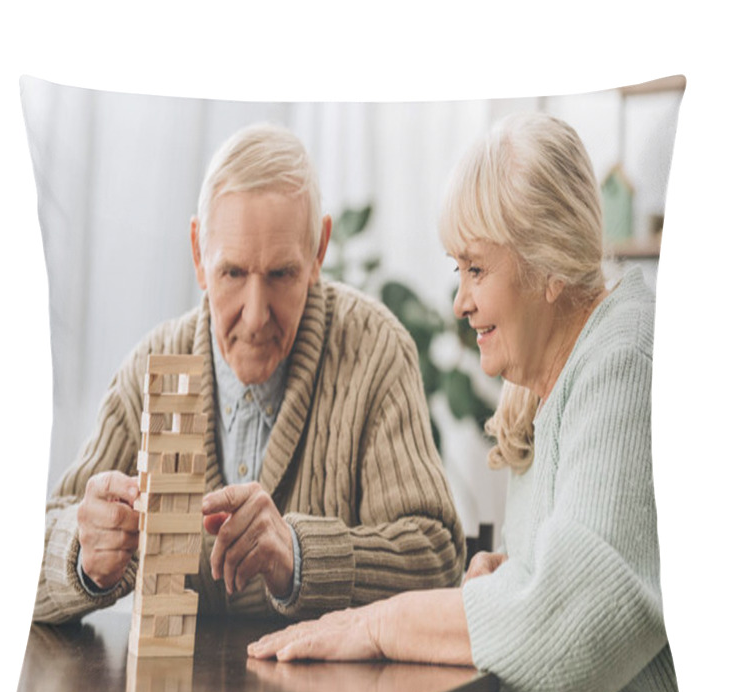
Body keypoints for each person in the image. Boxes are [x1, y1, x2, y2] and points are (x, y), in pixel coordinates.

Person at [248, 113, 686, 692]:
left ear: (551, 263)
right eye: (459, 271)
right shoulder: (555, 379)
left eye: (477, 269)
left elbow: (571, 627)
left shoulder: (625, 362)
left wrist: (380, 623)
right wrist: (512, 581)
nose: (459, 301)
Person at [34, 123, 465, 623]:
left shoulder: (375, 353)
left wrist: (299, 556)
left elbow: (437, 557)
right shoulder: (151, 368)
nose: (256, 315)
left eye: (281, 274)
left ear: (319, 251)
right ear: (199, 255)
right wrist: (82, 559)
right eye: (233, 273)